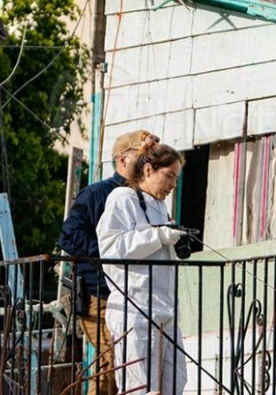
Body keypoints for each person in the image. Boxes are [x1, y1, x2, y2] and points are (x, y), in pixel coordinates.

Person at [58, 129, 156, 395]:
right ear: (122, 160)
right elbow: (69, 237)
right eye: (142, 155)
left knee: (125, 364)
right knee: (112, 364)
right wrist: (110, 251)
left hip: (131, 294)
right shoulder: (96, 194)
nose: (149, 161)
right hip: (98, 295)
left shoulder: (145, 198)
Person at [97, 138, 191, 395]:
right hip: (134, 308)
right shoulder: (122, 199)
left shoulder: (160, 206)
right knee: (139, 387)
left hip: (165, 308)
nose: (173, 185)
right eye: (169, 176)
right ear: (148, 170)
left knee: (175, 381)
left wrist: (175, 240)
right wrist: (158, 236)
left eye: (176, 178)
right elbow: (113, 249)